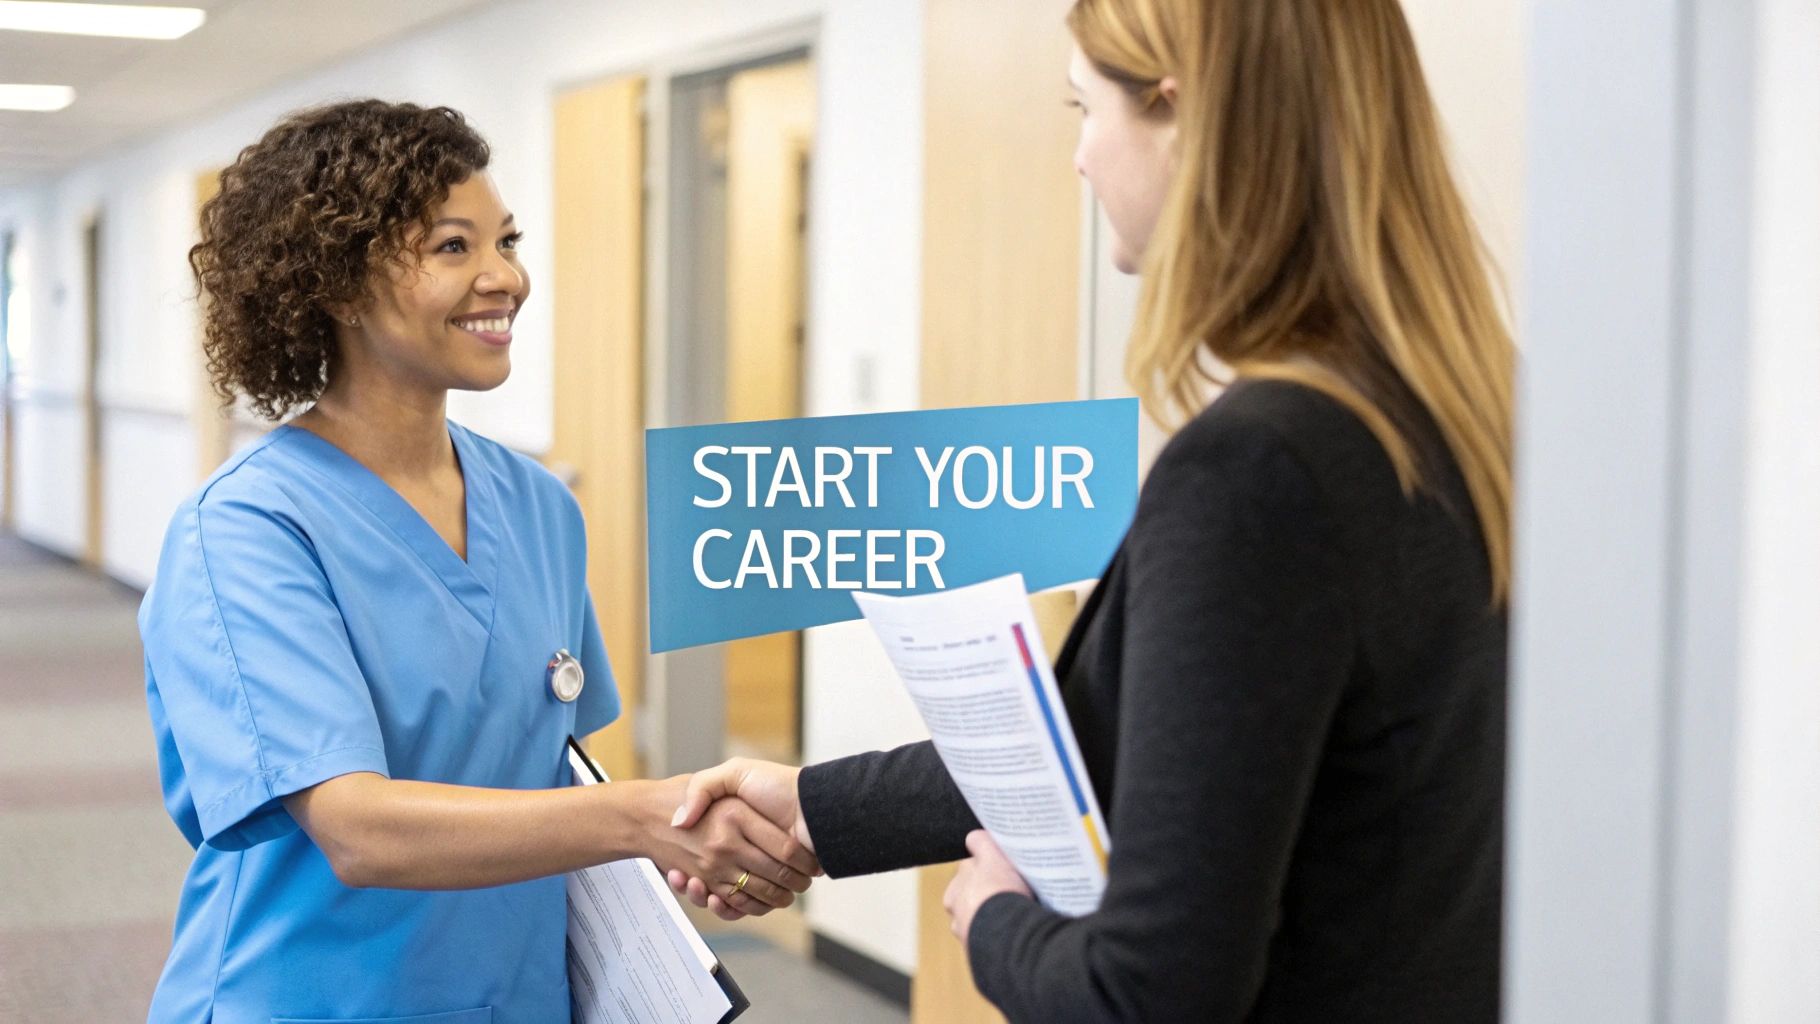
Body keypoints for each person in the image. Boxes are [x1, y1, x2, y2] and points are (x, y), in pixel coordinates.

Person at [669, 1, 1516, 1020]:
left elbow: (1144, 996)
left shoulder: (1257, 470)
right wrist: (813, 806)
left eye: (1084, 108)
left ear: (1179, 111)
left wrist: (991, 919)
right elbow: (1131, 746)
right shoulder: (1446, 414)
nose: (1077, 159)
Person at [140, 100, 817, 1024]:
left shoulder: (538, 506)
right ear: (337, 282)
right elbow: (358, 831)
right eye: (454, 248)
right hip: (314, 997)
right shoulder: (248, 528)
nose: (506, 277)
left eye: (507, 240)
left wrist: (676, 844)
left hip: (514, 995)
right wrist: (645, 817)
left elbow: (552, 769)